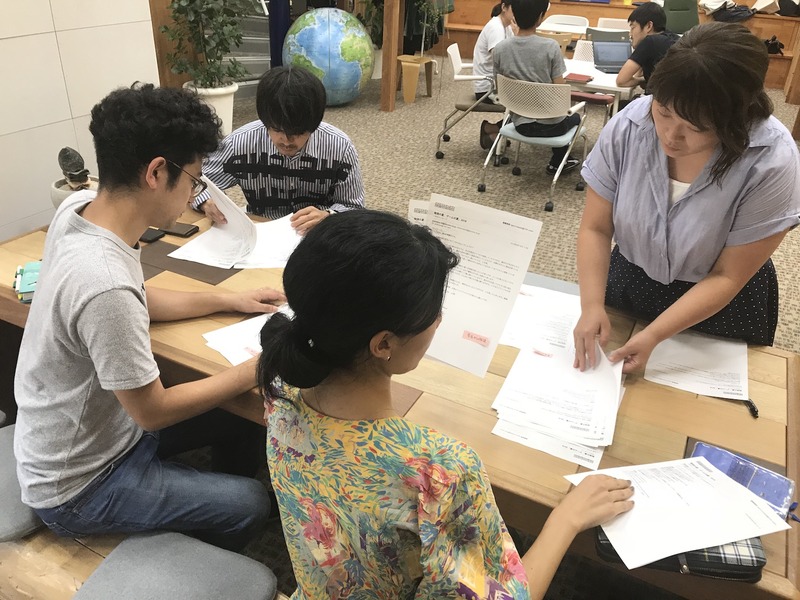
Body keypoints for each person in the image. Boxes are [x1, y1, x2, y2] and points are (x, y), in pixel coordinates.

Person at [256, 210, 634, 599]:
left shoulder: (280, 391)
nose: (438, 320)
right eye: (433, 312)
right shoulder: (438, 471)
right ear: (383, 344)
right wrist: (566, 520)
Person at [14, 83, 288, 551]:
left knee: (242, 419)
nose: (194, 193)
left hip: (100, 431)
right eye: (194, 180)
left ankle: (191, 497)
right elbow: (152, 411)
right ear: (157, 172)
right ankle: (188, 555)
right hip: (78, 485)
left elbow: (138, 298)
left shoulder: (81, 210)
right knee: (249, 503)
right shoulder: (103, 281)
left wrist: (229, 300)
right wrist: (259, 367)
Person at [573, 22, 800, 375]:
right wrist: (591, 305)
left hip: (720, 302)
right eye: (664, 111)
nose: (671, 135)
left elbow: (728, 275)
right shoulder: (630, 124)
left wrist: (654, 335)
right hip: (631, 282)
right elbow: (596, 228)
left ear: (736, 117)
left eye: (696, 127)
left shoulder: (771, 159)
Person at [192, 66, 365, 235]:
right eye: (277, 130)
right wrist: (205, 201)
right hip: (261, 231)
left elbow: (354, 207)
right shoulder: (239, 144)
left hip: (316, 236)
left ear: (314, 125)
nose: (287, 141)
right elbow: (193, 181)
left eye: (298, 133)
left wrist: (328, 217)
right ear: (265, 120)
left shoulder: (339, 147)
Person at [491, 0, 581, 175]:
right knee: (575, 117)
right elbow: (560, 92)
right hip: (551, 126)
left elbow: (498, 86)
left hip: (520, 123)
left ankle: (560, 159)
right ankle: (558, 161)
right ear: (540, 17)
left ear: (514, 15)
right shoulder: (551, 47)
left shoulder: (500, 48)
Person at [473, 1, 515, 148]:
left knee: (530, 99)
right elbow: (500, 62)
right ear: (504, 7)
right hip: (488, 89)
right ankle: (494, 129)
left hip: (497, 84)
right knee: (529, 102)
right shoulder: (496, 28)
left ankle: (492, 128)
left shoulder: (506, 26)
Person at [615, 2, 680, 92]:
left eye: (633, 27)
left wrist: (643, 80)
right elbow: (638, 73)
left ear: (649, 26)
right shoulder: (675, 38)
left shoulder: (650, 41)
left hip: (658, 99)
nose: (630, 34)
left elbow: (621, 81)